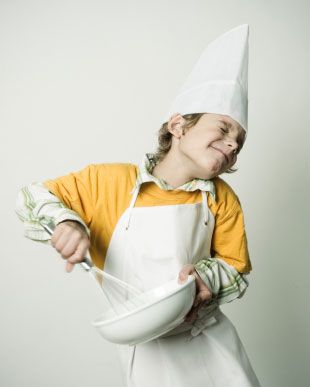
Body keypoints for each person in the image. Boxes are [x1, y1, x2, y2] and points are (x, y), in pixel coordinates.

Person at [15, 24, 261, 386]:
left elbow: (235, 269)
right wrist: (67, 223)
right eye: (223, 129)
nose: (232, 144)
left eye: (238, 141)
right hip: (146, 355)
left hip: (212, 345)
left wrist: (206, 278)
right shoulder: (109, 182)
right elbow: (31, 196)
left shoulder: (220, 197)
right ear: (178, 125)